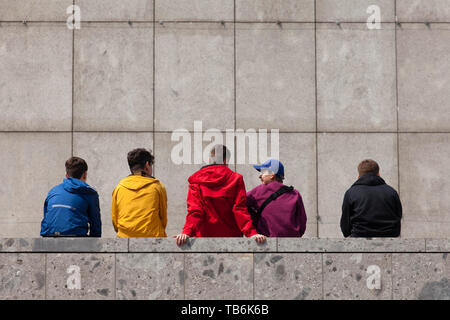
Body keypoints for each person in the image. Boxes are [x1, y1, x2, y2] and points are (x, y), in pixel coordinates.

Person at [175, 145, 266, 245]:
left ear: (210, 159)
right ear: (226, 160)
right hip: (231, 240)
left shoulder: (197, 181)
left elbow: (195, 211)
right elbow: (239, 209)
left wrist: (187, 232)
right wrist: (251, 233)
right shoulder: (236, 179)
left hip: (203, 240)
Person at [112, 148, 167, 237]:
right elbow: (163, 218)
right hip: (153, 238)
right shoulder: (157, 186)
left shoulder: (119, 187)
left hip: (124, 238)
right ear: (147, 165)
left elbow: (115, 221)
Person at [40, 157, 101, 237]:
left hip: (48, 237)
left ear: (66, 175)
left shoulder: (54, 191)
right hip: (76, 239)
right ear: (85, 174)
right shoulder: (89, 193)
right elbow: (95, 226)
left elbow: (47, 216)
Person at [340, 159, 402, 238]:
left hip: (359, 236)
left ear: (359, 176)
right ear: (378, 174)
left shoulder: (351, 193)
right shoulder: (391, 192)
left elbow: (345, 223)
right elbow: (398, 216)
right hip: (390, 236)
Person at [246, 159, 307, 237]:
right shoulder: (295, 193)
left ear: (272, 175)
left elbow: (239, 204)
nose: (260, 176)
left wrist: (256, 224)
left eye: (263, 172)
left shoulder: (260, 191)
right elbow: (302, 221)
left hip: (266, 241)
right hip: (292, 241)